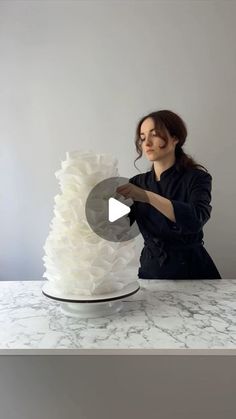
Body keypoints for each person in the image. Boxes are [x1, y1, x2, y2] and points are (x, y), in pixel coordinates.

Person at [116, 110, 222, 279]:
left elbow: (196, 220)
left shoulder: (197, 178)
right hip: (151, 272)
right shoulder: (136, 183)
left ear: (175, 138)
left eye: (155, 135)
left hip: (193, 272)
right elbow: (117, 228)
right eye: (143, 138)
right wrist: (105, 200)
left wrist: (147, 197)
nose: (147, 143)